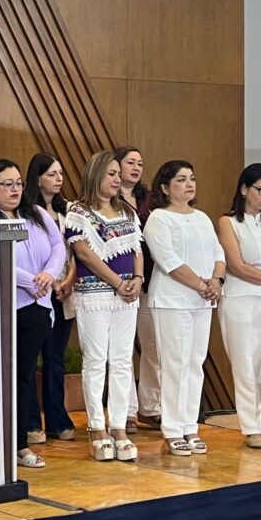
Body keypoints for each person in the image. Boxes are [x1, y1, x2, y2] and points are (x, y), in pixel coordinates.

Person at [0, 159, 66, 467]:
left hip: (37, 307)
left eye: (19, 183)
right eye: (6, 184)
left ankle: (18, 444)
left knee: (22, 376)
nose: (14, 190)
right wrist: (31, 280)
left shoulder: (35, 213)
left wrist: (49, 274)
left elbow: (58, 246)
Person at [65, 151, 143, 461]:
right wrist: (117, 282)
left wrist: (137, 278)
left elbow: (137, 248)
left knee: (123, 360)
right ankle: (97, 427)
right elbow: (84, 254)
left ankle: (120, 426)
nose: (117, 179)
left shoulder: (126, 211)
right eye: (111, 173)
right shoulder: (78, 212)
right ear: (97, 175)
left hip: (127, 295)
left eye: (117, 174)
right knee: (96, 361)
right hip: (95, 295)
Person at [144, 160, 225, 456]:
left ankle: (190, 425)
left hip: (202, 301)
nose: (189, 184)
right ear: (165, 188)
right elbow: (169, 261)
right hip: (172, 301)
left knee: (194, 363)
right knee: (174, 364)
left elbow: (218, 253)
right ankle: (173, 429)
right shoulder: (159, 219)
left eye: (192, 178)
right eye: (181, 179)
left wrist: (216, 280)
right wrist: (203, 285)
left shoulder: (202, 217)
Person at [218, 163, 261, 449]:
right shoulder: (229, 222)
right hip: (242, 300)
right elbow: (238, 266)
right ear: (244, 189)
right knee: (246, 366)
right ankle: (252, 427)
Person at [23, 153, 78, 443]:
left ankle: (58, 419)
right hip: (36, 290)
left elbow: (74, 251)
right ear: (38, 177)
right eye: (52, 174)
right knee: (31, 359)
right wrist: (48, 281)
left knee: (55, 359)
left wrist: (67, 281)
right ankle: (32, 421)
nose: (58, 179)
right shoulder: (25, 210)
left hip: (63, 291)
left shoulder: (68, 210)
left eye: (60, 174)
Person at [115, 146, 160, 433]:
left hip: (150, 278)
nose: (136, 167)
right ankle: (127, 411)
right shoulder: (107, 197)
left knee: (153, 345)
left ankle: (151, 407)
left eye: (140, 163)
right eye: (130, 162)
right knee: (121, 350)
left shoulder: (150, 199)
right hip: (119, 279)